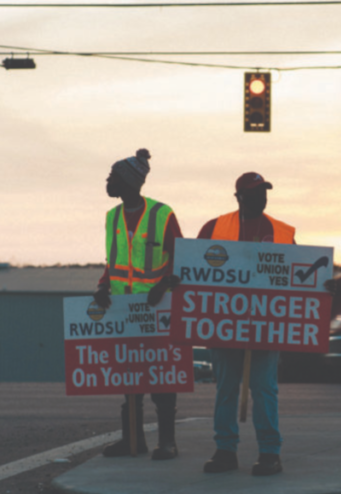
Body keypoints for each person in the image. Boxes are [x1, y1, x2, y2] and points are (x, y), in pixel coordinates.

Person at [200, 172, 294, 477]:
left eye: (264, 191)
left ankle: (270, 453)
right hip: (223, 326)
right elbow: (193, 269)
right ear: (239, 197)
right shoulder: (214, 228)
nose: (262, 197)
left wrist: (322, 288)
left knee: (264, 389)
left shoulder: (280, 231)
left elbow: (298, 276)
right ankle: (225, 450)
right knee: (226, 389)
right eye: (255, 193)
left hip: (265, 327)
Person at [94, 149, 183, 460]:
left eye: (113, 176)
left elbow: (180, 259)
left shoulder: (162, 214)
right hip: (123, 312)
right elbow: (114, 262)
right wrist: (103, 286)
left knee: (161, 378)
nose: (108, 180)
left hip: (157, 311)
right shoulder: (112, 217)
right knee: (130, 379)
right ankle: (133, 441)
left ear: (129, 182)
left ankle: (167, 443)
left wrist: (163, 286)